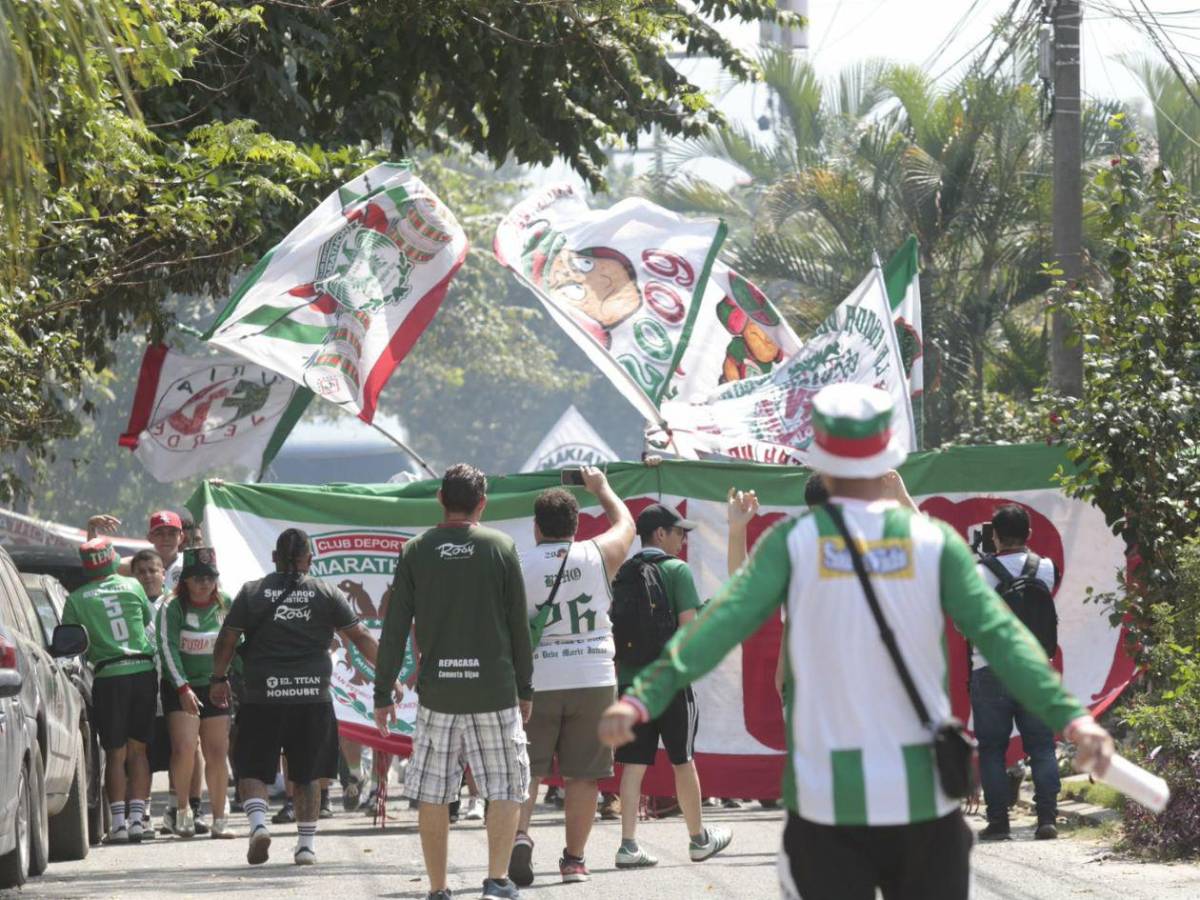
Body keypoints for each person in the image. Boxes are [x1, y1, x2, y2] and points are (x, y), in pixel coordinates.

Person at [598, 383, 1115, 900]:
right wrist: (1072, 718)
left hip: (827, 803)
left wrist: (642, 698)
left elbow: (719, 627)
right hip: (921, 800)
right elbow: (1003, 637)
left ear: (822, 464)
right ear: (887, 461)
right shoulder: (931, 542)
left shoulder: (793, 545)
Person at [372, 463, 533, 900]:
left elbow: (394, 628)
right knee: (506, 786)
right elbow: (519, 627)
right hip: (495, 690)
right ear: (482, 503)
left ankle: (438, 888)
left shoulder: (416, 550)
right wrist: (526, 688)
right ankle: (496, 881)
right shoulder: (501, 546)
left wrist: (383, 693)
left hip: (438, 694)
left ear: (440, 499)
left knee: (434, 792)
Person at [209, 528, 381, 867]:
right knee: (307, 774)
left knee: (252, 768)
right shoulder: (326, 592)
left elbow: (227, 640)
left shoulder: (252, 592)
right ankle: (305, 846)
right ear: (309, 559)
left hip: (263, 696)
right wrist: (388, 675)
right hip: (312, 697)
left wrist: (218, 678)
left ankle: (258, 826)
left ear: (274, 557)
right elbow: (360, 636)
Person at [509, 467, 635, 887]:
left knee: (527, 770)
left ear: (536, 526)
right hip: (593, 675)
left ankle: (519, 836)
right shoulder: (597, 554)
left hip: (536, 680)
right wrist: (602, 488)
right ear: (576, 524)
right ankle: (574, 861)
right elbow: (627, 524)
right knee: (584, 775)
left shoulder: (517, 563)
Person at [611, 503, 731, 870]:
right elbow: (688, 630)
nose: (683, 538)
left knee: (633, 765)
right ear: (660, 534)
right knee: (683, 760)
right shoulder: (677, 570)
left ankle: (628, 845)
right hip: (671, 683)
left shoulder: (624, 572)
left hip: (632, 683)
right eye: (679, 531)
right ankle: (698, 840)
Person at [972, 504, 1063, 841]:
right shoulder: (1046, 569)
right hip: (1035, 670)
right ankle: (1046, 818)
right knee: (1041, 746)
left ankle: (998, 823)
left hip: (990, 669)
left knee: (992, 750)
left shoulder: (978, 573)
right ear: (1029, 533)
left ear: (994, 535)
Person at [62, 538, 157, 843]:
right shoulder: (133, 586)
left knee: (115, 754)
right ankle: (137, 820)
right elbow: (145, 620)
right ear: (113, 559)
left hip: (109, 676)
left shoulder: (76, 599)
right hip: (143, 671)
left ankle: (117, 824)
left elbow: (71, 643)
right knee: (139, 750)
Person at [157, 547, 236, 839]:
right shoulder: (172, 606)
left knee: (217, 751)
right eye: (198, 578)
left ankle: (220, 819)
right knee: (185, 747)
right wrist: (182, 687)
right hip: (180, 685)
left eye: (210, 577)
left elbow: (235, 643)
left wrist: (227, 677)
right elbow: (166, 648)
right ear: (185, 580)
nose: (204, 583)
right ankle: (182, 810)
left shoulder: (225, 603)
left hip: (215, 684)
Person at [88, 509, 188, 593]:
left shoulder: (190, 563)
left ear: (181, 537)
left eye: (172, 533)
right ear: (150, 537)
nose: (166, 538)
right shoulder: (138, 564)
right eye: (159, 533)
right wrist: (92, 528)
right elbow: (101, 566)